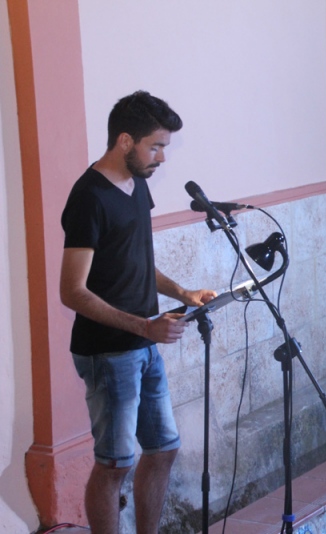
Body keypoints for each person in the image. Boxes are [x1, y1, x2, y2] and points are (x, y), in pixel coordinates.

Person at [60, 90, 216, 534]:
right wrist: (145, 327)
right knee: (114, 464)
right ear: (125, 140)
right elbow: (72, 291)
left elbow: (137, 260)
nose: (162, 157)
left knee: (163, 450)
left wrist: (183, 292)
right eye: (156, 146)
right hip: (108, 352)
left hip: (143, 345)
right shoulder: (89, 197)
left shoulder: (137, 183)